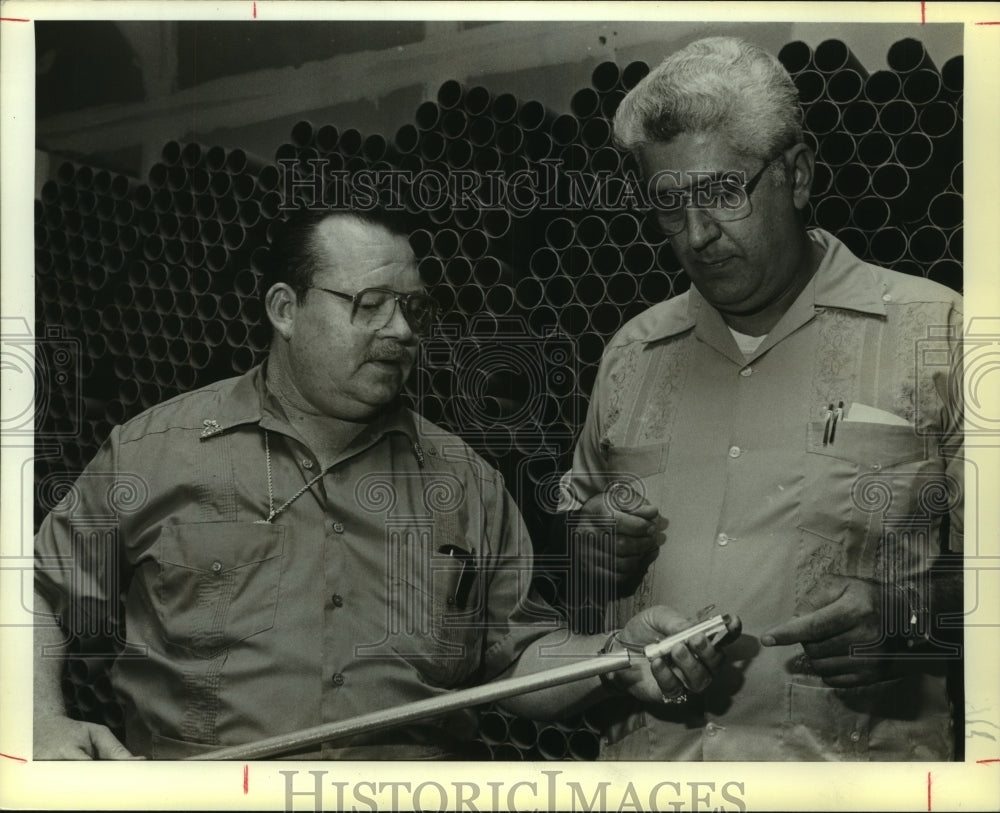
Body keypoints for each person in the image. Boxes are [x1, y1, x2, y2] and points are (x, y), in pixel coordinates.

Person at [33, 203, 740, 760]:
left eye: (414, 308)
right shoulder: (154, 454)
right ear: (285, 309)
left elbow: (517, 652)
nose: (402, 331)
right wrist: (39, 721)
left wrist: (619, 655)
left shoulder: (466, 483)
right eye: (370, 304)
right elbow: (38, 594)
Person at [553, 36, 964, 760]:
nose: (696, 235)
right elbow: (580, 604)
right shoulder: (629, 356)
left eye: (721, 193)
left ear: (798, 174)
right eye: (669, 205)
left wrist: (913, 618)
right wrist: (590, 561)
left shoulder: (941, 334)